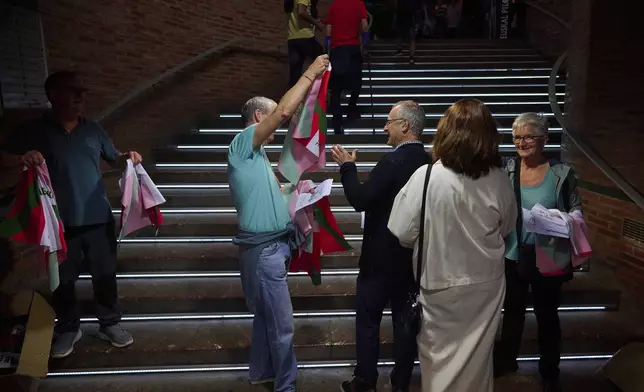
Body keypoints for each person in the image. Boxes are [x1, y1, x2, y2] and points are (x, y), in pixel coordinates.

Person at [0, 71, 142, 359]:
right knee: (63, 279)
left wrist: (130, 157)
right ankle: (67, 328)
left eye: (83, 92)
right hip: (57, 222)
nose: (80, 97)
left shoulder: (93, 129)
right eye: (71, 91)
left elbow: (114, 156)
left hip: (97, 217)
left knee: (105, 274)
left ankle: (109, 323)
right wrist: (21, 158)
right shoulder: (34, 130)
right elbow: (3, 157)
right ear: (52, 95)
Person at [388, 99, 517, 392]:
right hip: (486, 284)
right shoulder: (499, 179)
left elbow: (401, 230)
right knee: (478, 362)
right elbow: (508, 227)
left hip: (439, 283)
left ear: (444, 133)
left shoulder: (427, 177)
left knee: (438, 364)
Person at [227, 55, 330, 392]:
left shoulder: (257, 156)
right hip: (264, 251)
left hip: (272, 247)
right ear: (260, 117)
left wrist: (298, 192)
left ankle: (262, 373)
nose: (278, 127)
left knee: (267, 319)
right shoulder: (242, 144)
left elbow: (270, 195)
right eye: (270, 119)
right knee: (282, 324)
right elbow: (283, 112)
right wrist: (310, 74)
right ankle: (286, 387)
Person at [332, 101, 430, 392]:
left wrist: (347, 167)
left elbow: (361, 199)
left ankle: (365, 382)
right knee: (405, 324)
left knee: (369, 321)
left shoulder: (393, 162)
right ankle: (401, 383)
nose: (385, 127)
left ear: (405, 126)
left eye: (389, 121)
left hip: (379, 260)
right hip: (411, 259)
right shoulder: (429, 162)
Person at [494, 113, 581, 392]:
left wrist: (559, 218)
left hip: (549, 252)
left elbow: (576, 211)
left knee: (547, 314)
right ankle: (507, 363)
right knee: (513, 311)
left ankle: (549, 370)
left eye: (528, 136)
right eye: (517, 137)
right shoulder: (506, 169)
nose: (522, 142)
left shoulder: (561, 173)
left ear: (544, 139)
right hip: (514, 252)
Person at [324, 0, 370, 135]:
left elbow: (328, 29)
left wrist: (327, 47)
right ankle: (351, 109)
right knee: (356, 82)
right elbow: (364, 25)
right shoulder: (359, 4)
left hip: (337, 50)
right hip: (352, 48)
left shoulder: (334, 5)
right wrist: (366, 44)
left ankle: (337, 121)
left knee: (336, 88)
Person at [286, 0, 325, 88]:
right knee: (323, 59)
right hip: (304, 36)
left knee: (294, 76)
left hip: (292, 38)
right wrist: (317, 24)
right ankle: (317, 90)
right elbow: (301, 12)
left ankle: (291, 98)